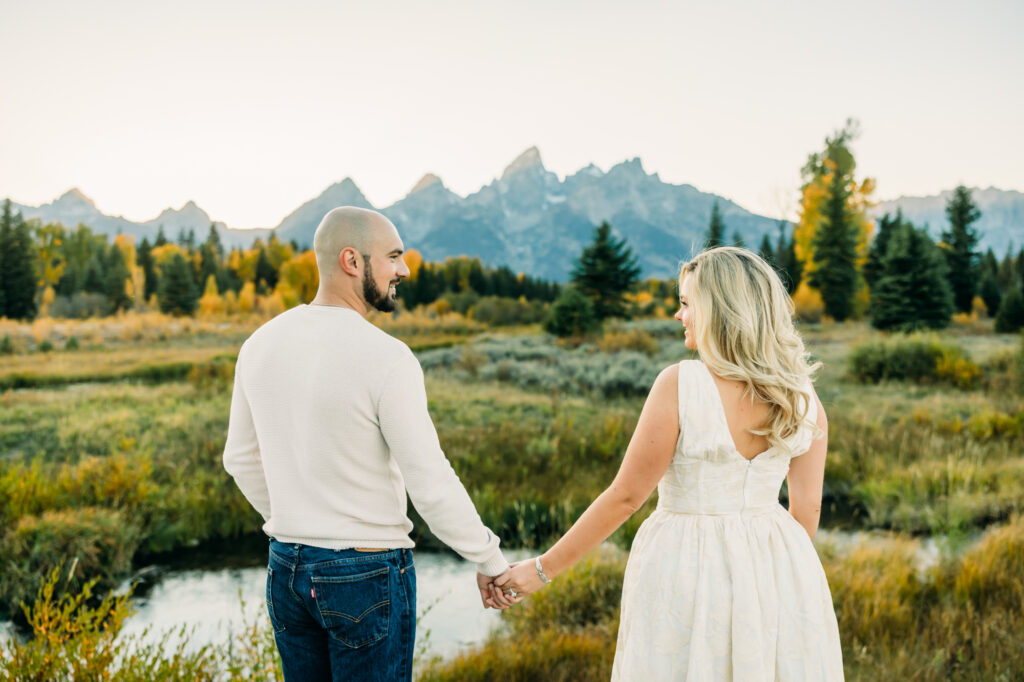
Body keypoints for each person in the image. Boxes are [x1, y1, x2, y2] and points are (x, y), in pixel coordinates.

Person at [495, 246, 844, 680]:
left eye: (685, 304)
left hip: (685, 567)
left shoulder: (682, 383)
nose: (678, 315)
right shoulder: (803, 397)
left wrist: (542, 569)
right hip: (781, 569)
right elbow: (806, 512)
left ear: (719, 310)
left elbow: (625, 498)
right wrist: (775, 577)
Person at [223, 206, 513, 682]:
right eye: (394, 257)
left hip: (286, 568)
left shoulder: (259, 344)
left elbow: (238, 458)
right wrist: (489, 560)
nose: (405, 270)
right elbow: (430, 480)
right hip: (366, 575)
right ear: (352, 261)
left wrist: (298, 518)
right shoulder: (387, 358)